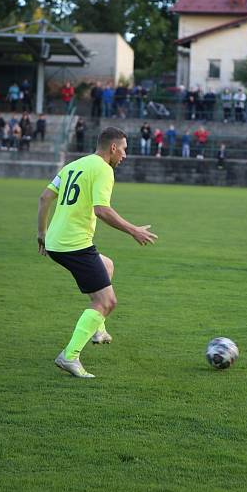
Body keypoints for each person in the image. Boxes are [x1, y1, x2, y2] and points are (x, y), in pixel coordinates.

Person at [37, 127, 158, 377]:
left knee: (107, 265)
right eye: (123, 149)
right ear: (113, 148)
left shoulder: (73, 165)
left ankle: (99, 330)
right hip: (74, 245)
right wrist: (133, 230)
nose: (124, 155)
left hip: (56, 242)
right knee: (107, 301)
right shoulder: (104, 169)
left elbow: (44, 197)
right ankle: (69, 356)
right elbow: (102, 210)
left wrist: (41, 233)